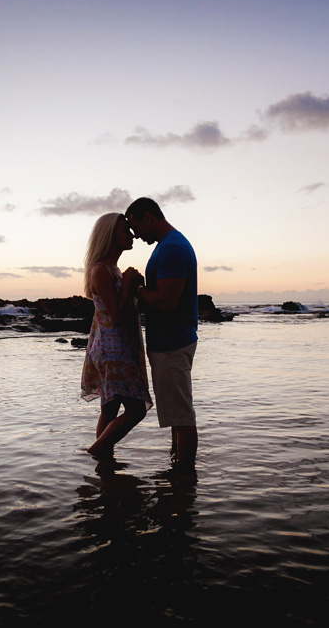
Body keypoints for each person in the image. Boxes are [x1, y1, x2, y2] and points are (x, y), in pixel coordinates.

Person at [124, 197, 198, 468]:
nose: (136, 234)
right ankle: (176, 471)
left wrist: (136, 290)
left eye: (136, 226)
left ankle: (183, 478)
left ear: (148, 217)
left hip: (172, 343)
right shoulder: (169, 246)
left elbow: (167, 302)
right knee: (175, 415)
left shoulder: (172, 249)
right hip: (170, 341)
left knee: (181, 416)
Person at [81, 213, 152, 456]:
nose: (131, 235)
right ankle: (95, 453)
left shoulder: (113, 269)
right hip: (113, 350)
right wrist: (130, 281)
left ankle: (104, 466)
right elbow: (117, 314)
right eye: (125, 230)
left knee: (109, 410)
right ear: (110, 235)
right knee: (136, 411)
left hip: (116, 347)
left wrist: (133, 286)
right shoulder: (101, 270)